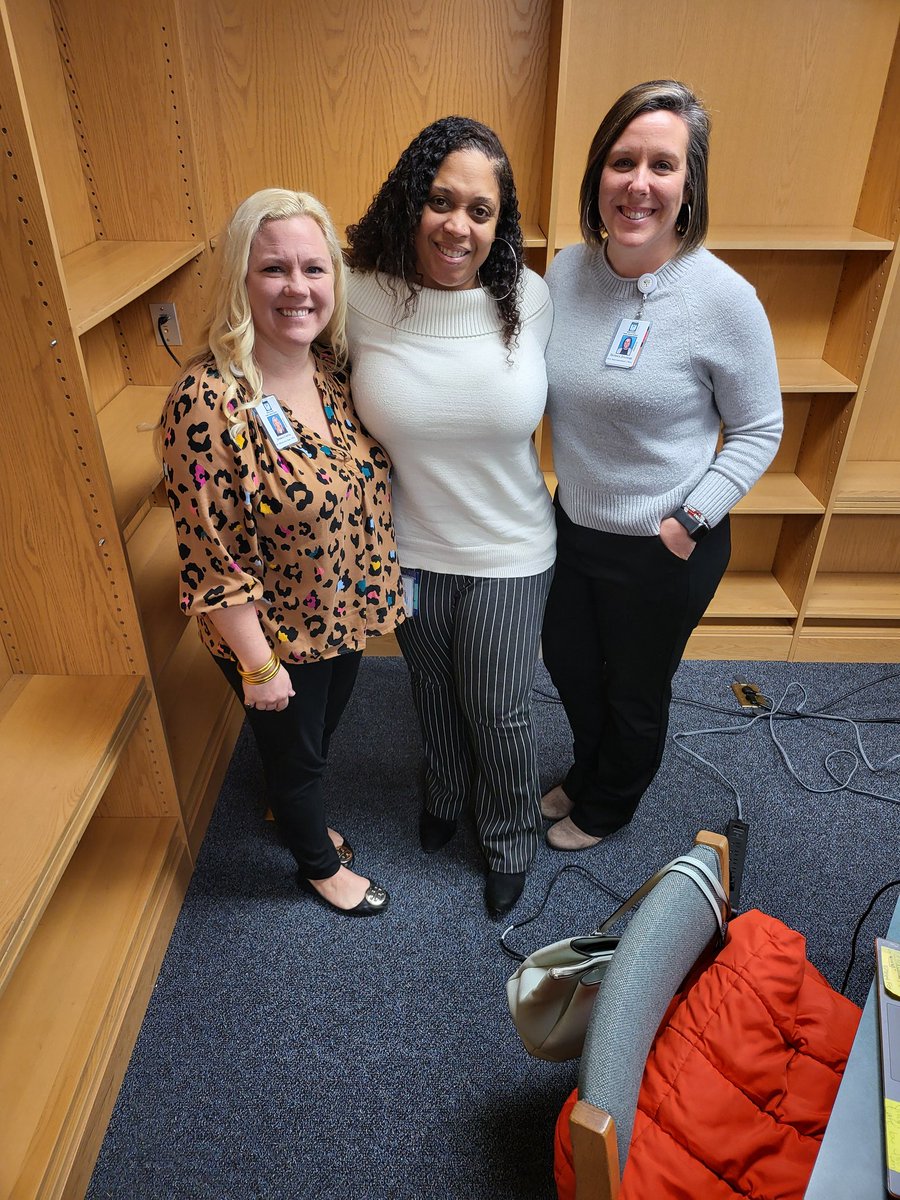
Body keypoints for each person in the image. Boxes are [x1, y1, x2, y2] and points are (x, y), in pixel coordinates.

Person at [541, 80, 783, 850]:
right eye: (622, 161)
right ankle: (588, 770)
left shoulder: (724, 299)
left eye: (662, 165)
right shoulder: (564, 274)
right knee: (572, 668)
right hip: (574, 525)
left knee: (634, 689)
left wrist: (689, 519)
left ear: (688, 185)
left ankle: (609, 802)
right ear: (598, 176)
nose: (638, 183)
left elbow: (758, 429)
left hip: (666, 537)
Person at [161, 188, 403, 915]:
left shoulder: (330, 372)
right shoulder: (207, 399)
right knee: (297, 757)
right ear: (241, 280)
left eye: (314, 268)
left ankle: (290, 803)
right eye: (274, 270)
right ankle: (317, 866)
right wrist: (257, 664)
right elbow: (208, 553)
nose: (298, 288)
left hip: (340, 610)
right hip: (274, 633)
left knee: (313, 742)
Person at [344, 116, 555, 917]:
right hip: (410, 549)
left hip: (510, 548)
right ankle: (444, 793)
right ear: (411, 201)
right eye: (441, 200)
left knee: (497, 705)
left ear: (499, 227)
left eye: (480, 210)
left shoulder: (529, 300)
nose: (457, 225)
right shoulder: (362, 297)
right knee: (430, 687)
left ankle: (507, 836)